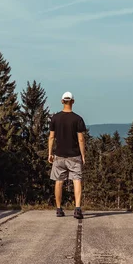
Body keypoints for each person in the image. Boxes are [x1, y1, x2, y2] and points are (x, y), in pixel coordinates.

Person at [48, 91, 87, 219]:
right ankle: (77, 209)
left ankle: (59, 209)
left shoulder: (55, 118)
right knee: (77, 180)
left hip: (59, 155)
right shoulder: (78, 119)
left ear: (62, 101)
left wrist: (50, 153)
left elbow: (51, 137)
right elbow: (81, 139)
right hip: (74, 155)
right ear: (73, 102)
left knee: (59, 182)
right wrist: (83, 155)